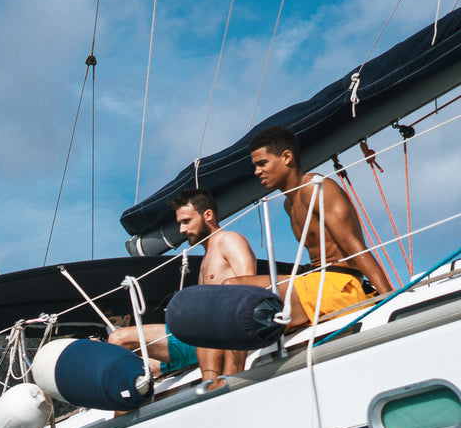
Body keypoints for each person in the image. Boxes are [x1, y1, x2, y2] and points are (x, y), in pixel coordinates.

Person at [226, 125, 393, 325]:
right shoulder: (290, 204)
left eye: (262, 163)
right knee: (228, 292)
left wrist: (390, 298)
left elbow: (354, 245)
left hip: (341, 285)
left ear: (286, 157)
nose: (257, 172)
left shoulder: (315, 187)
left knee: (233, 289)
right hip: (318, 282)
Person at [108, 189, 257, 383]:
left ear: (208, 215)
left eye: (186, 221)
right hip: (192, 337)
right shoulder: (208, 255)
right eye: (180, 223)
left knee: (120, 340)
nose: (181, 230)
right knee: (118, 341)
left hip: (216, 334)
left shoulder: (229, 240)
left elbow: (249, 291)